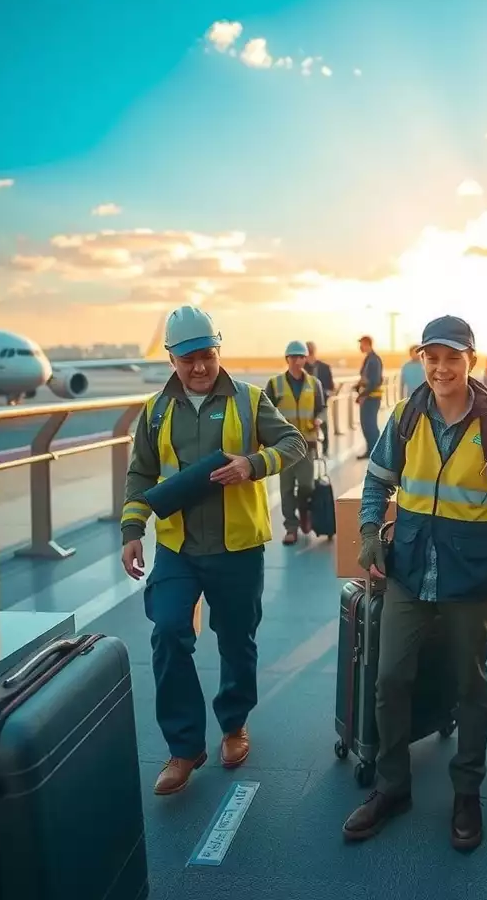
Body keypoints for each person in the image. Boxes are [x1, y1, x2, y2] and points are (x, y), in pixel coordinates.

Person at [342, 315, 487, 851]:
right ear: (422, 361)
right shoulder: (406, 417)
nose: (440, 368)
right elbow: (377, 482)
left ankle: (466, 793)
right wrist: (370, 531)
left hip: (469, 578)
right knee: (389, 678)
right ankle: (392, 787)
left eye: (452, 358)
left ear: (469, 361)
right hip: (409, 571)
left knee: (469, 687)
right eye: (431, 358)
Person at [120, 306, 307, 796]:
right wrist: (132, 529)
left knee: (236, 639)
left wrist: (252, 464)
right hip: (178, 546)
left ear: (218, 350)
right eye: (188, 360)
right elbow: (140, 473)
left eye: (207, 355)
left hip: (237, 547)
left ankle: (233, 724)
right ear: (171, 360)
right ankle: (184, 748)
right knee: (168, 632)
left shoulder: (249, 399)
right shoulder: (155, 411)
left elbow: (294, 444)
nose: (200, 367)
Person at [267, 341, 326, 544]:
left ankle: (304, 511)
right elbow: (265, 412)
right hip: (284, 445)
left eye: (301, 357)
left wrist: (319, 420)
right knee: (286, 488)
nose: (297, 361)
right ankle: (291, 527)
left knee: (307, 485)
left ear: (305, 359)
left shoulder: (314, 384)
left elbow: (322, 409)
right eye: (293, 357)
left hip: (307, 443)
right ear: (287, 359)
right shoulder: (275, 384)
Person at [305, 341, 336, 451]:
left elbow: (331, 387)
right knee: (309, 429)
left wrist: (325, 394)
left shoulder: (324, 367)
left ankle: (325, 449)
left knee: (323, 425)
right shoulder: (302, 368)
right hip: (306, 404)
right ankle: (312, 450)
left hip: (321, 403)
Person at [356, 334, 384, 458]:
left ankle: (375, 452)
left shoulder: (374, 360)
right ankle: (371, 450)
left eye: (361, 344)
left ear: (367, 344)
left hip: (371, 397)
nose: (360, 347)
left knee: (370, 425)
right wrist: (358, 387)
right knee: (366, 425)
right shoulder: (369, 359)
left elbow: (375, 381)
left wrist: (363, 395)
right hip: (368, 396)